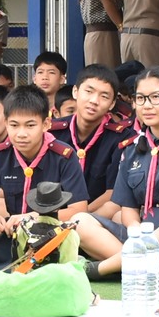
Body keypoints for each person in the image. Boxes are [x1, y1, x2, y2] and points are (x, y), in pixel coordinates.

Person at [74, 68, 159, 286]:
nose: (147, 105)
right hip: (140, 232)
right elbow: (128, 207)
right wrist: (136, 234)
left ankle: (100, 269)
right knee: (78, 221)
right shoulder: (131, 146)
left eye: (156, 97)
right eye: (140, 98)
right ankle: (152, 268)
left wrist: (151, 239)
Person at [0, 87, 89, 267]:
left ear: (46, 124)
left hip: (52, 234)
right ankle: (30, 262)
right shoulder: (1, 155)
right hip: (15, 234)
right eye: (14, 125)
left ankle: (3, 259)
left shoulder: (64, 155)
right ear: (6, 123)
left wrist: (33, 217)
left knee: (82, 227)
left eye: (30, 125)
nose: (21, 133)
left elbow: (79, 210)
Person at [53, 65, 125, 213]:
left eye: (104, 96)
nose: (94, 101)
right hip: (52, 212)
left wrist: (80, 216)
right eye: (89, 91)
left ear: (112, 104)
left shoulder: (121, 138)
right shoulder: (52, 132)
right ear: (75, 91)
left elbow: (113, 192)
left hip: (95, 215)